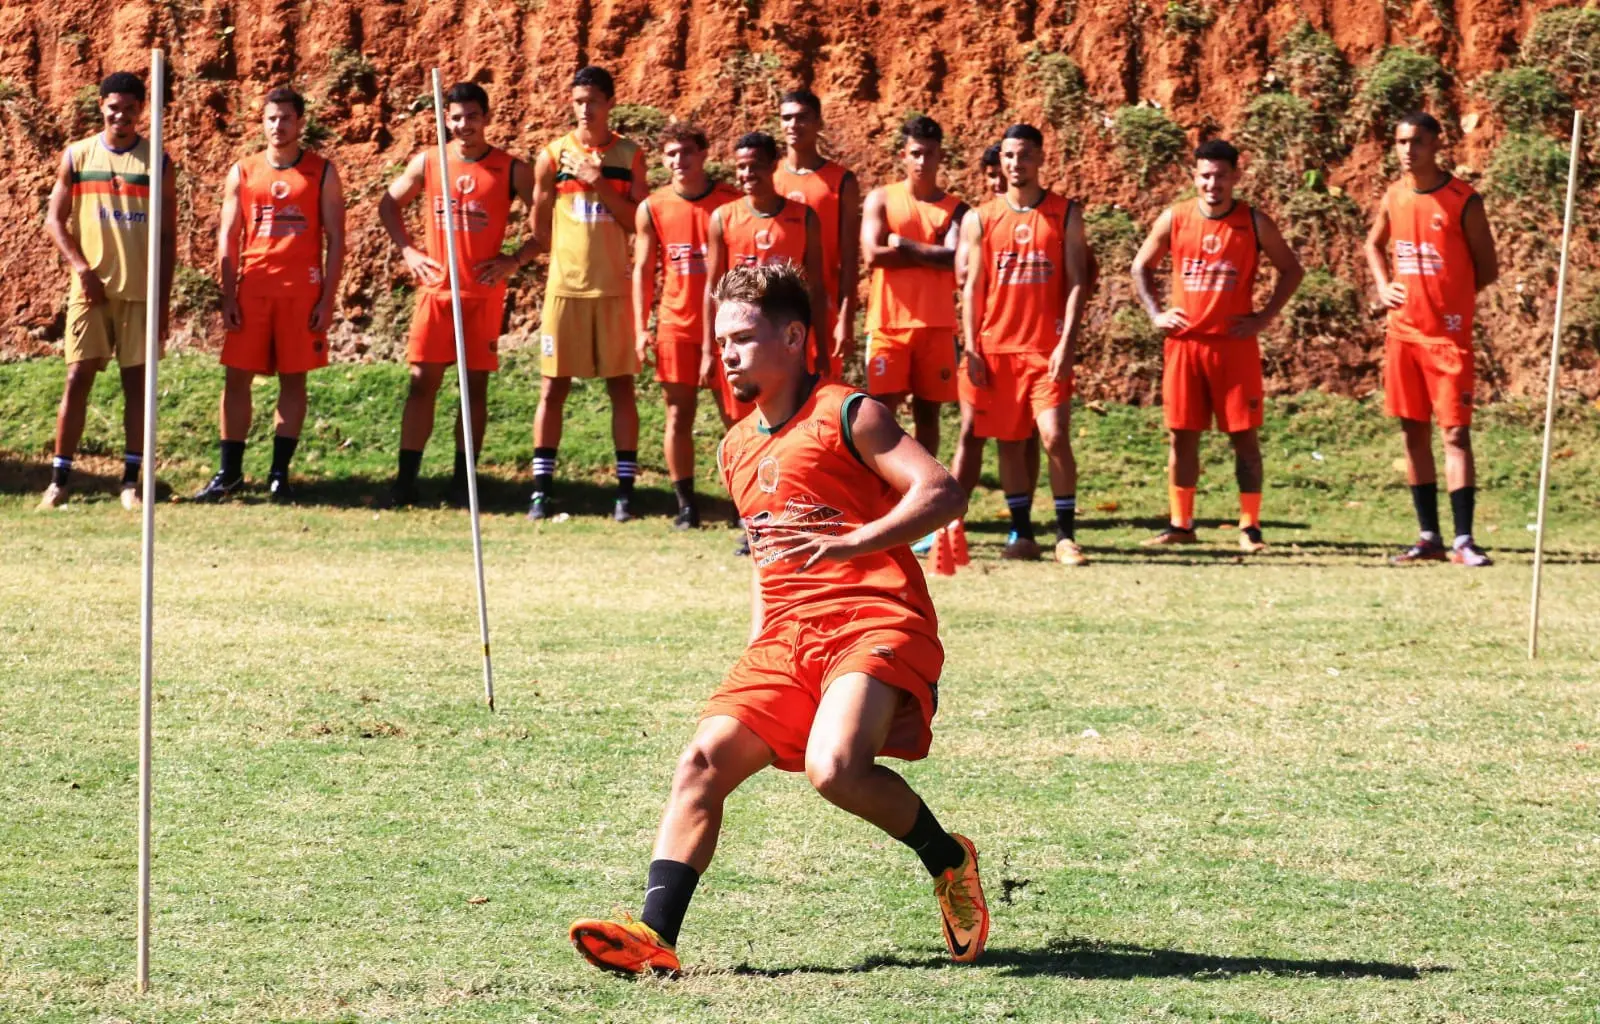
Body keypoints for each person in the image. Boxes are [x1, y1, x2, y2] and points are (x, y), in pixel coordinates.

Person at [567, 263, 988, 977]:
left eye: (742, 338)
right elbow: (766, 559)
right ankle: (654, 936)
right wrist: (760, 643)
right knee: (700, 762)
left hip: (875, 619)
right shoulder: (734, 447)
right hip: (788, 637)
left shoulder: (850, 413)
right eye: (721, 339)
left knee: (835, 770)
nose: (726, 353)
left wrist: (853, 540)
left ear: (793, 337)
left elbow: (942, 492)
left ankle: (948, 860)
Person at [1131, 138, 1303, 553]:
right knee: (1182, 436)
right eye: (1205, 176)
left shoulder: (1253, 221)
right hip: (1185, 345)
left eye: (1221, 176)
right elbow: (1141, 266)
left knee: (1244, 437)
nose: (1213, 184)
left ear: (1235, 177)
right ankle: (1181, 523)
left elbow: (1291, 270)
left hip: (1233, 347)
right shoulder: (1176, 218)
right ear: (1195, 177)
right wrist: (1157, 313)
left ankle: (1250, 526)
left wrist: (1263, 317)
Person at [378, 81, 535, 507]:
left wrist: (515, 260)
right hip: (436, 293)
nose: (465, 124)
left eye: (473, 116)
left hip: (481, 295)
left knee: (474, 391)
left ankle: (463, 483)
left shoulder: (511, 168)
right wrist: (409, 250)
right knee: (421, 386)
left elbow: (548, 223)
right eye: (457, 117)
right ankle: (405, 481)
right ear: (446, 119)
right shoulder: (430, 162)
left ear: (486, 118)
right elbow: (388, 204)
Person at [195, 86, 346, 504]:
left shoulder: (322, 172)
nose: (278, 126)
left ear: (301, 122)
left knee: (293, 381)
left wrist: (327, 298)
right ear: (262, 122)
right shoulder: (243, 171)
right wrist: (228, 295)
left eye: (286, 118)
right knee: (236, 379)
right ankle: (229, 474)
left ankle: (280, 476)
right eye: (271, 118)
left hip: (301, 292)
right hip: (253, 289)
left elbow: (337, 238)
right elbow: (228, 235)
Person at [1363, 112, 1499, 567]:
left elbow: (1489, 267)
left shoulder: (1463, 200)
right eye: (1401, 142)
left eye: (1417, 142)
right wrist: (1384, 286)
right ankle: (1429, 537)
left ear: (1437, 144)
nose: (1408, 150)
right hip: (1403, 335)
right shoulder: (1396, 194)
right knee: (1412, 431)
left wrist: (1451, 299)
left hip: (1447, 338)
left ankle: (1464, 540)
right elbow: (1372, 245)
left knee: (1456, 433)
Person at [39, 71, 175, 511]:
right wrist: (82, 269)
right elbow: (54, 222)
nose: (121, 115)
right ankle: (59, 480)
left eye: (130, 108)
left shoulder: (158, 161)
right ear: (101, 106)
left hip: (139, 293)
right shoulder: (78, 156)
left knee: (136, 384)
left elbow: (168, 238)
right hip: (90, 290)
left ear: (141, 110)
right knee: (77, 378)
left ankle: (131, 481)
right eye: (113, 107)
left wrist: (163, 302)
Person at [959, 124, 1091, 565]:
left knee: (1053, 435)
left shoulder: (1065, 213)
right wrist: (972, 345)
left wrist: (1067, 341)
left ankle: (1066, 535)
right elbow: (973, 287)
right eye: (1010, 156)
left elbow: (1078, 282)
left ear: (1040, 159)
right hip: (997, 349)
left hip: (1045, 349)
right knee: (1010, 443)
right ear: (1002, 162)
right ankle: (1021, 533)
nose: (1017, 164)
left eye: (1025, 155)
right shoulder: (980, 218)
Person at [529, 65, 649, 522]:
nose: (584, 108)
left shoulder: (629, 155)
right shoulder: (552, 155)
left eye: (593, 100)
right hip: (565, 290)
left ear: (609, 103)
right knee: (551, 388)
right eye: (578, 100)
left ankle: (625, 491)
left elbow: (637, 222)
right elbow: (539, 224)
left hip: (613, 289)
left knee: (622, 387)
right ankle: (541, 490)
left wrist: (598, 180)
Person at [705, 130, 829, 555]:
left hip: (787, 347)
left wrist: (823, 343)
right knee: (745, 431)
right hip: (743, 347)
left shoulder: (803, 217)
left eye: (755, 165)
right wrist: (711, 349)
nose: (747, 174)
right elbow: (713, 292)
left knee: (795, 428)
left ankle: (794, 514)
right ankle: (753, 520)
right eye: (740, 166)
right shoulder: (723, 218)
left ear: (774, 165)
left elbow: (816, 289)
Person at [633, 122, 741, 529]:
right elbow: (644, 269)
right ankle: (686, 504)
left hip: (726, 324)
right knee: (678, 415)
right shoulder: (653, 207)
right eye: (672, 154)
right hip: (676, 324)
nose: (680, 161)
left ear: (704, 155)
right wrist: (640, 327)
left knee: (738, 417)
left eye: (687, 153)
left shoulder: (730, 202)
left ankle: (741, 504)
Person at [860, 115, 967, 457]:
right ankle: (884, 494)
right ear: (903, 155)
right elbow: (873, 254)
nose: (922, 161)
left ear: (941, 157)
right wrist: (928, 253)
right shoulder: (881, 199)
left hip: (936, 326)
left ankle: (926, 496)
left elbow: (954, 258)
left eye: (930, 153)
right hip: (889, 325)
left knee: (929, 417)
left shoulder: (956, 209)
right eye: (916, 153)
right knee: (881, 414)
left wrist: (901, 243)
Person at [950, 144, 1039, 504]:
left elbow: (1079, 270)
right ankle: (948, 517)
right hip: (984, 342)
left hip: (1030, 343)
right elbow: (962, 276)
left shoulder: (1042, 218)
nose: (999, 182)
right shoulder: (981, 221)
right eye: (991, 176)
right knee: (971, 430)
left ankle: (1024, 514)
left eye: (1002, 174)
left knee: (1027, 433)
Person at [774, 88, 859, 377]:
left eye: (802, 118)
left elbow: (849, 257)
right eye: (786, 118)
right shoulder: (768, 179)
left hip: (823, 305)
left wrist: (846, 315)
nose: (793, 125)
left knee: (822, 389)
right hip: (777, 303)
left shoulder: (841, 181)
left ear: (819, 123)